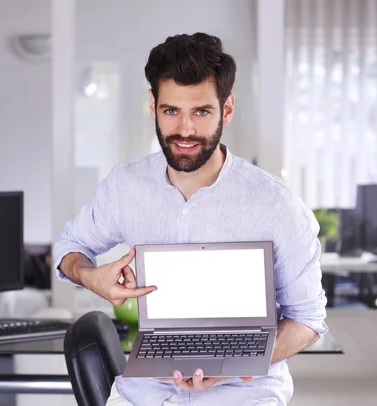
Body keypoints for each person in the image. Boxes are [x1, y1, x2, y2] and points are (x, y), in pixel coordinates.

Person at [53, 32, 328, 406]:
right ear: (153, 105)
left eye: (201, 111)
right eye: (171, 111)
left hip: (242, 395)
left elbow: (309, 322)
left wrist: (231, 361)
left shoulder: (277, 206)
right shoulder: (125, 185)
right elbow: (69, 247)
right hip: (142, 395)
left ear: (226, 110)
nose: (185, 130)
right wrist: (90, 277)